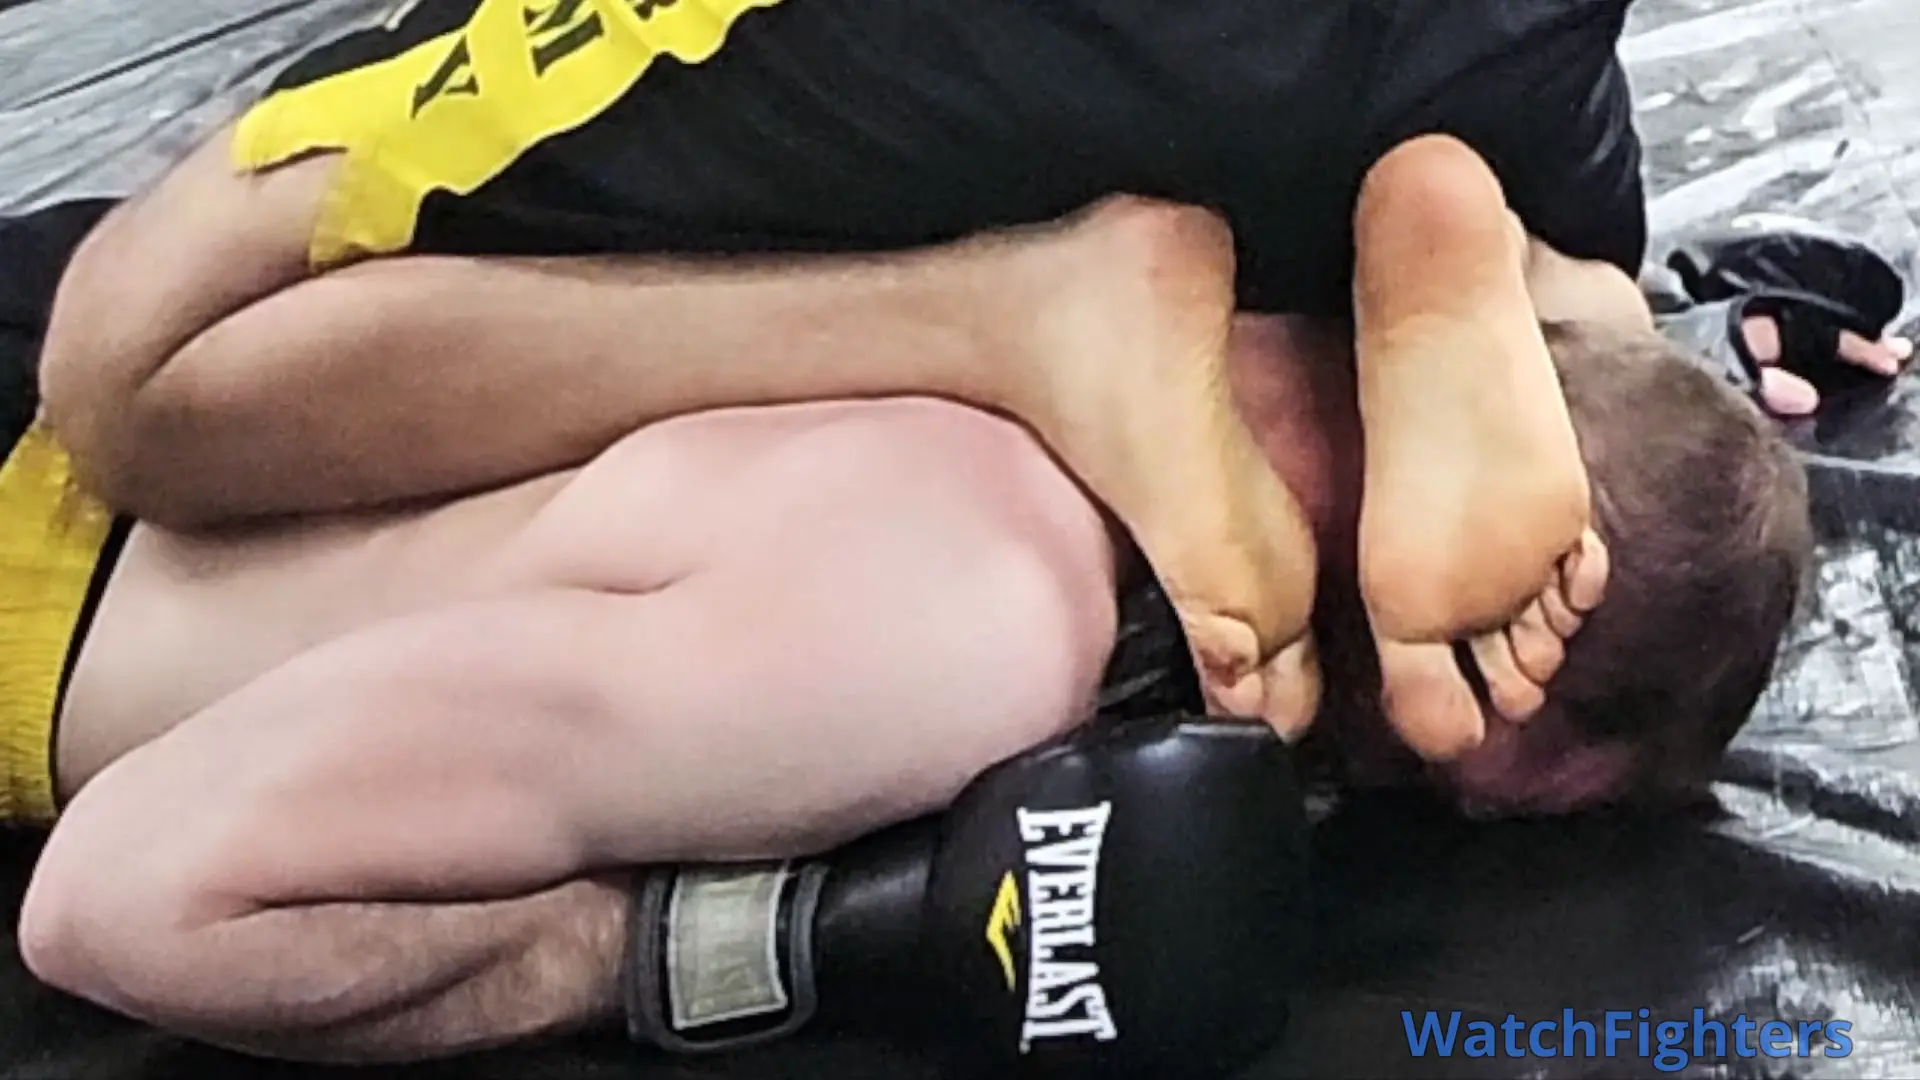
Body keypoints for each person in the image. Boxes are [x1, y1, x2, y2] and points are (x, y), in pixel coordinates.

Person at [9, 173, 1809, 1060]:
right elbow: (125, 906)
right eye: (1437, 784)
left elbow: (1562, 318)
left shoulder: (1223, 199)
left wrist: (1695, 343)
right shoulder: (969, 619)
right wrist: (734, 944)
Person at [33, 0, 1686, 764]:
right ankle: (1571, 296)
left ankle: (1001, 314)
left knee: (140, 372)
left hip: (1031, 60)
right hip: (1492, 62)